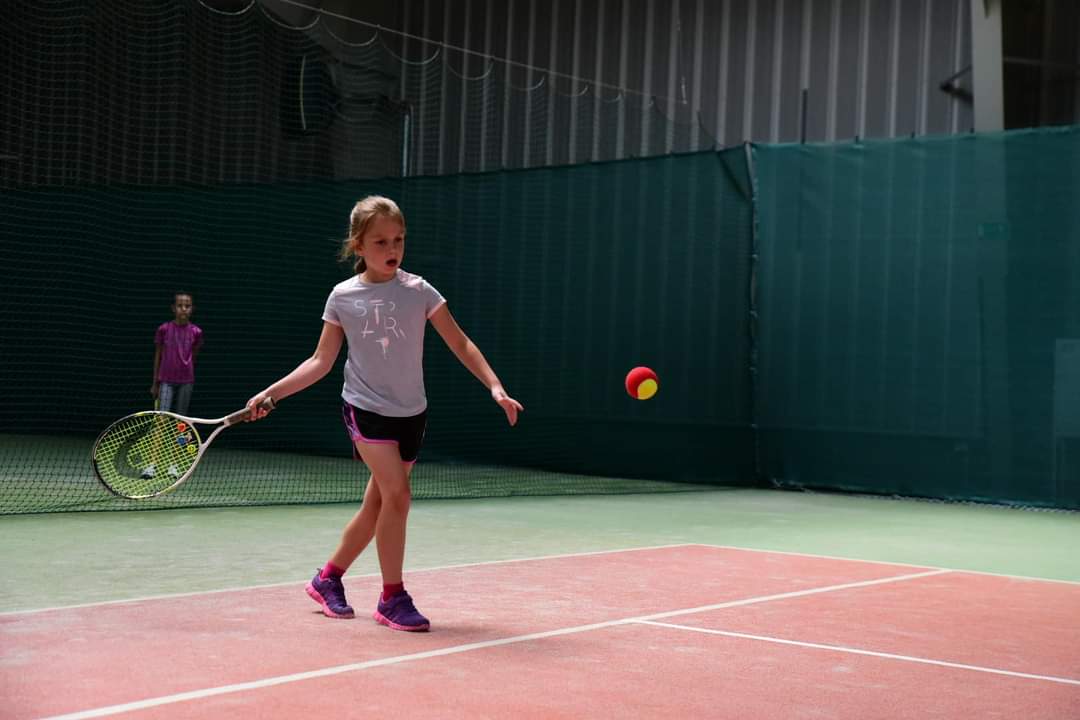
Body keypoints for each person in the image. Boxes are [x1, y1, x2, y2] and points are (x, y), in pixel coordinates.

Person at [244, 196, 522, 632]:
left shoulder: (419, 291)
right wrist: (272, 393)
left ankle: (327, 579)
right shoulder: (343, 297)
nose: (392, 248)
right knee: (398, 495)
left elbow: (460, 341)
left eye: (399, 239)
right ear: (358, 245)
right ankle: (393, 597)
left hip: (412, 413)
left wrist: (495, 385)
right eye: (380, 242)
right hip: (365, 407)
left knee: (378, 505)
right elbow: (320, 361)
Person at [143, 291, 203, 479]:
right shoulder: (164, 329)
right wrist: (156, 382)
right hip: (166, 381)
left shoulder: (196, 332)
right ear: (173, 308)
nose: (183, 309)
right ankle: (151, 465)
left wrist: (186, 371)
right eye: (180, 305)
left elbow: (194, 355)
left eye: (187, 306)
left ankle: (174, 465)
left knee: (181, 424)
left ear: (192, 309)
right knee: (161, 422)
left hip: (186, 383)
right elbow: (158, 356)